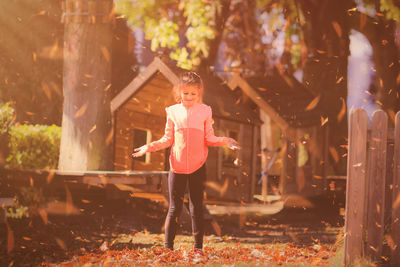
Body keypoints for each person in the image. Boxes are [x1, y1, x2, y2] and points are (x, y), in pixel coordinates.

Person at [132, 71, 240, 251]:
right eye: (185, 93)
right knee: (174, 209)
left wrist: (225, 141)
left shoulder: (205, 111)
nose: (189, 97)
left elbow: (209, 138)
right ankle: (168, 248)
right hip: (177, 167)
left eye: (193, 94)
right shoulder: (172, 112)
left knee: (197, 208)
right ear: (179, 92)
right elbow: (167, 139)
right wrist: (148, 147)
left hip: (198, 167)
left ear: (199, 93)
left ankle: (198, 249)